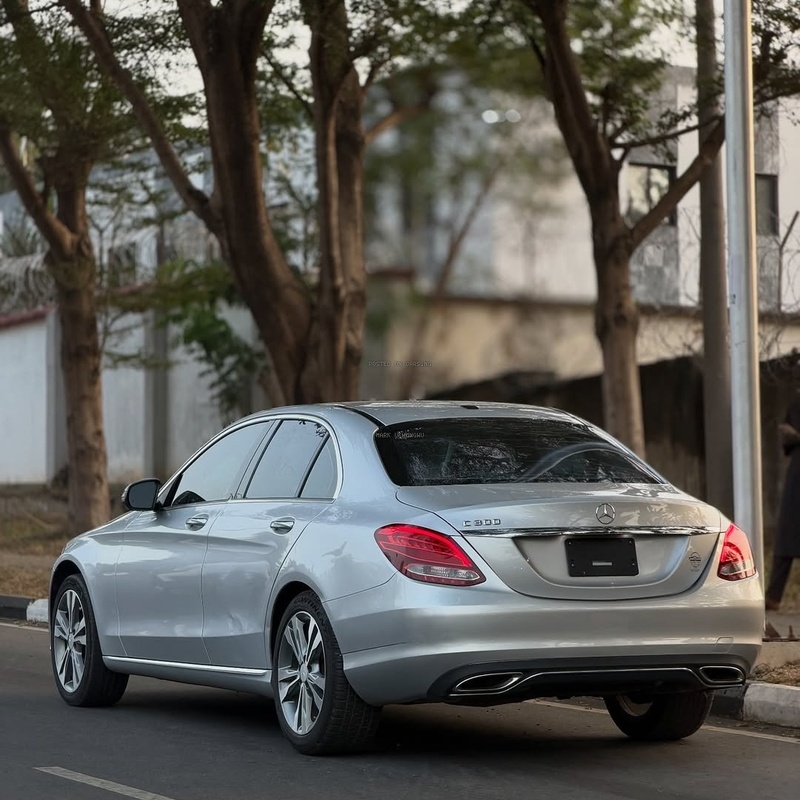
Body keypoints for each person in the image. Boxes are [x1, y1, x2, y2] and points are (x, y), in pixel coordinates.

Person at [766, 392, 800, 611]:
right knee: (787, 532)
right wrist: (789, 437)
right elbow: (788, 445)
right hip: (797, 474)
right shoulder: (796, 404)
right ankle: (773, 596)